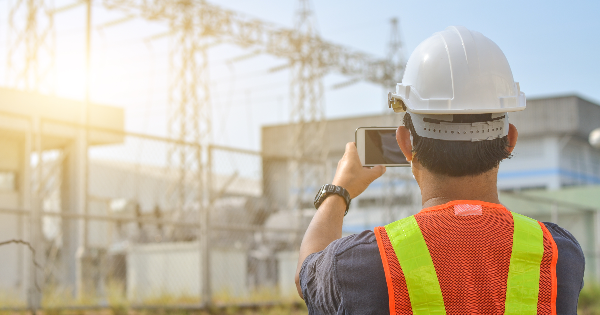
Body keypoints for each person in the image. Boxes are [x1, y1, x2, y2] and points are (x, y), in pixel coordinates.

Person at [295, 26, 584, 314]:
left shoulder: (359, 262)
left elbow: (307, 275)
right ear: (509, 140)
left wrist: (338, 191)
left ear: (406, 142)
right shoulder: (560, 253)